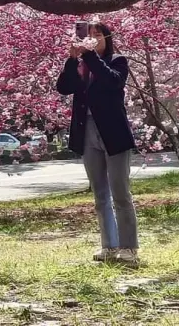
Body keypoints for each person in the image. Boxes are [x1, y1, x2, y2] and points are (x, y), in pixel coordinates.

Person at [56, 22, 139, 265]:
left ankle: (129, 248)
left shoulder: (117, 61)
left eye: (97, 35)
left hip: (114, 134)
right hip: (87, 133)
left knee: (121, 193)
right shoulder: (82, 66)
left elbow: (113, 81)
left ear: (107, 38)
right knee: (100, 194)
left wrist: (90, 56)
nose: (92, 39)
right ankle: (109, 246)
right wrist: (72, 60)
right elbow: (63, 88)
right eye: (88, 35)